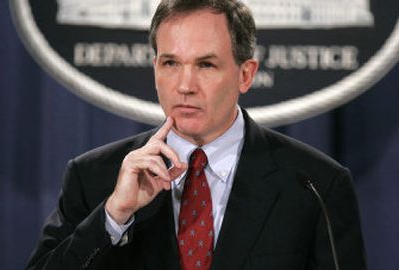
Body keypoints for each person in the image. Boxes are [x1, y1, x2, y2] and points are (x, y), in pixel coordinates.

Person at [27, 0, 367, 269]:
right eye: (170, 64)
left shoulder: (315, 185)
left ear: (245, 74)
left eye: (206, 65)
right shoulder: (95, 177)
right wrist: (113, 216)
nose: (185, 86)